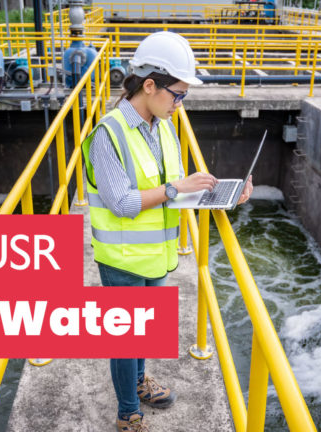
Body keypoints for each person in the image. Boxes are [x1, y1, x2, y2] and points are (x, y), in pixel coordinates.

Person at [81, 31, 253, 432]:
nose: (180, 104)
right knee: (125, 341)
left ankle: (140, 383)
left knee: (144, 330)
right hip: (121, 258)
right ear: (149, 85)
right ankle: (128, 413)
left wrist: (222, 195)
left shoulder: (163, 127)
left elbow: (171, 192)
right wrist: (178, 188)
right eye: (178, 94)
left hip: (157, 255)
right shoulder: (108, 135)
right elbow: (123, 203)